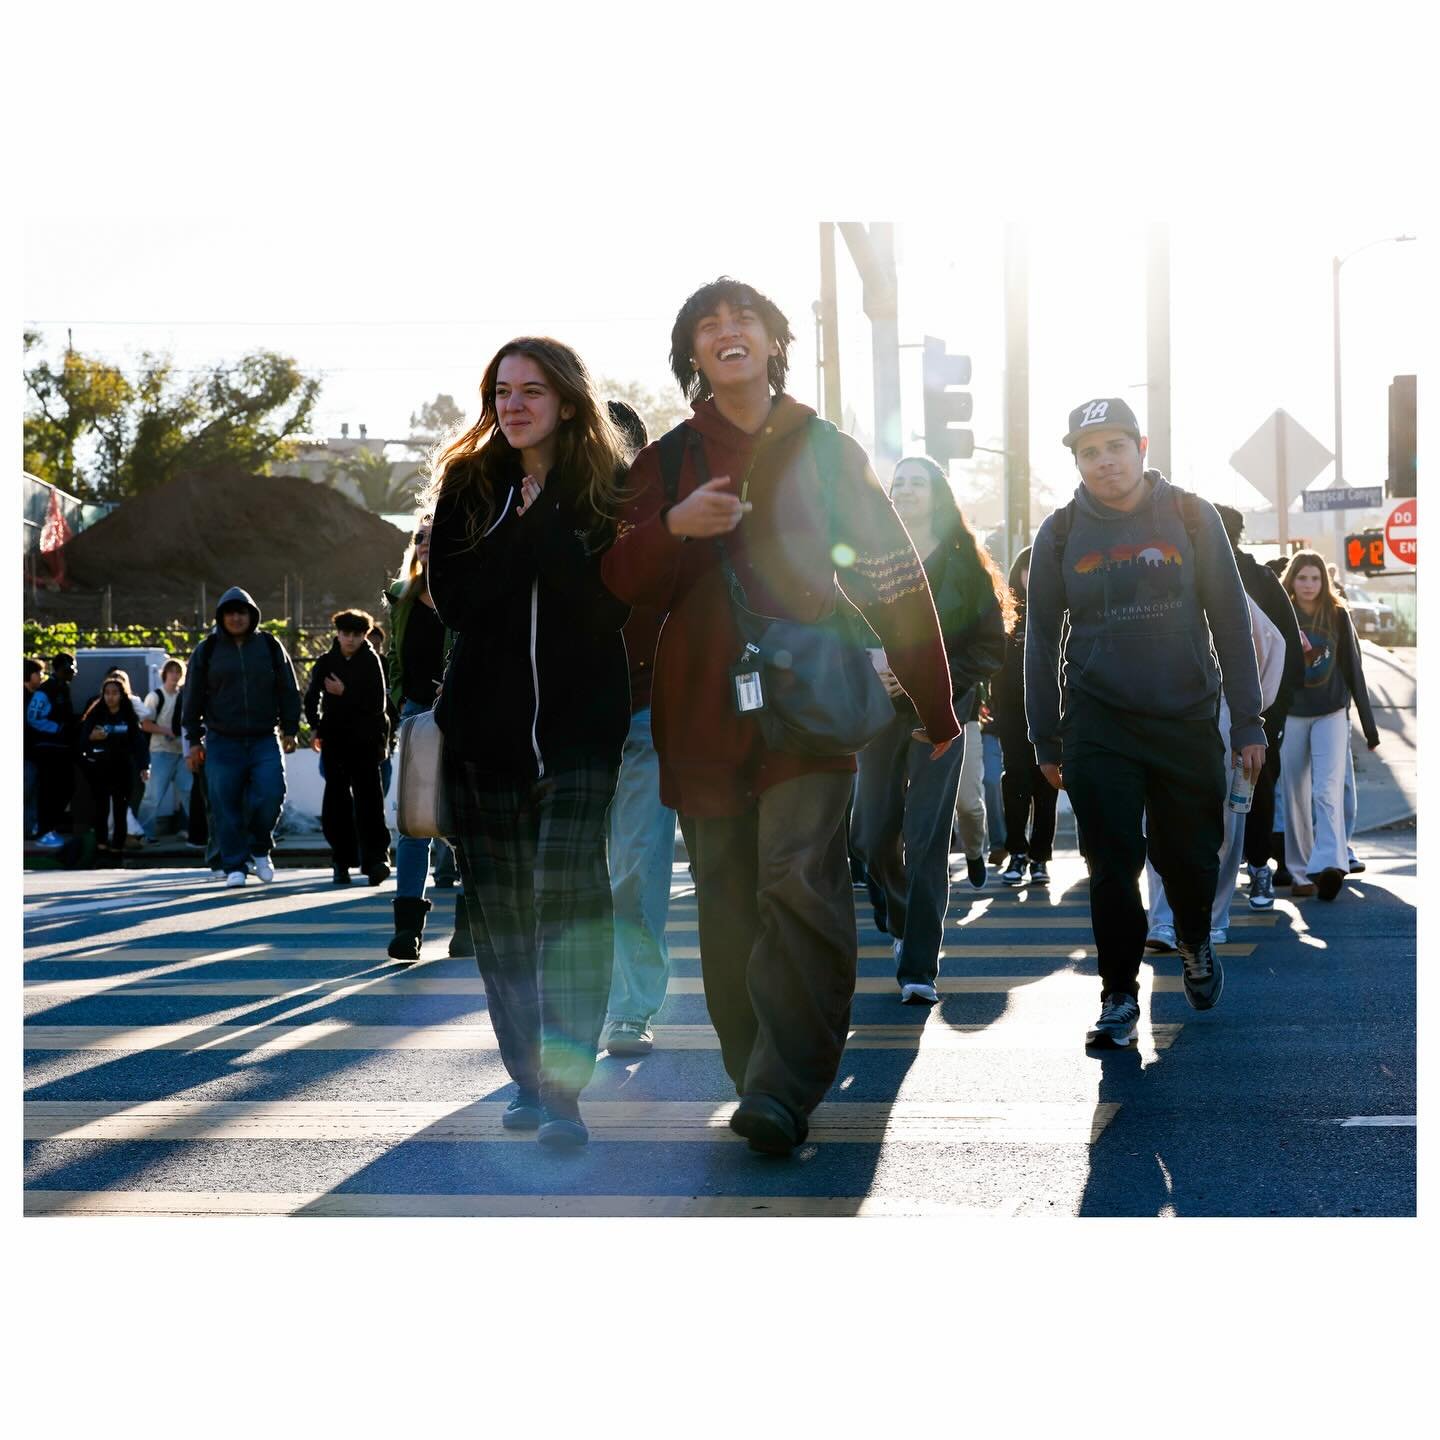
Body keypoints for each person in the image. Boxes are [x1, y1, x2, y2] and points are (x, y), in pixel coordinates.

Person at [601, 277, 959, 1155]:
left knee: (797, 881)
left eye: (744, 320)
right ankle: (754, 1069)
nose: (728, 333)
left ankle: (783, 1087)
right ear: (692, 353)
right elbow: (616, 581)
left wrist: (934, 698)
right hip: (699, 715)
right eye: (708, 326)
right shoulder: (669, 461)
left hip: (806, 706)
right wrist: (674, 528)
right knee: (726, 900)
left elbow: (890, 571)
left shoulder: (826, 448)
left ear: (772, 344)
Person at [426, 335, 631, 1149]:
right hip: (485, 738)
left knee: (569, 902)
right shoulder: (471, 486)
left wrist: (545, 515)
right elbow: (460, 601)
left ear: (569, 402)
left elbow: (604, 603)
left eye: (531, 392)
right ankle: (528, 1078)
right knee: (505, 917)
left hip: (582, 737)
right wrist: (523, 520)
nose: (512, 405)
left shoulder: (606, 491)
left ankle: (566, 1092)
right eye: (502, 391)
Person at [1025, 397, 1265, 1049]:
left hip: (1185, 712)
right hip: (1098, 721)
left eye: (1115, 447)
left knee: (1189, 857)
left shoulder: (1191, 515)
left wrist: (1248, 721)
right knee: (1111, 863)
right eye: (1089, 451)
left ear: (1142, 446)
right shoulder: (1060, 531)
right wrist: (1044, 736)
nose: (1104, 462)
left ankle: (1192, 940)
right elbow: (1041, 637)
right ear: (1076, 460)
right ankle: (1118, 996)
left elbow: (1229, 618)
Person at [853, 454, 1008, 1004]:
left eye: (919, 483)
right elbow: (840, 627)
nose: (908, 490)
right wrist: (874, 665)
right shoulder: (869, 559)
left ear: (938, 495)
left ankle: (919, 965)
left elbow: (991, 645)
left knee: (926, 840)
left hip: (940, 716)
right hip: (876, 714)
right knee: (871, 837)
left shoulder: (966, 563)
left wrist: (933, 682)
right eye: (900, 483)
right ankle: (899, 919)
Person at [599, 400, 680, 1057]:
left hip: (649, 713)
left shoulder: (663, 520)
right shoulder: (554, 515)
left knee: (634, 872)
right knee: (569, 879)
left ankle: (630, 1008)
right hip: (568, 725)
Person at [1210, 507, 1305, 910]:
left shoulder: (1259, 580)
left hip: (1255, 710)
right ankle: (1234, 876)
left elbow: (1286, 649)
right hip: (1213, 709)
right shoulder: (1195, 574)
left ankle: (1259, 868)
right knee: (1232, 793)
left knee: (1253, 789)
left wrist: (1274, 715)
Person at [382, 515, 465, 959]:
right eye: (420, 538)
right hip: (417, 717)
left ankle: (469, 928)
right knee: (413, 823)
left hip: (465, 715)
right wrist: (400, 698)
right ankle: (407, 931)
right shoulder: (402, 598)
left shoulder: (465, 593)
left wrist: (457, 685)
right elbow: (395, 656)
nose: (426, 545)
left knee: (466, 820)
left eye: (435, 537)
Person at [183, 588, 302, 888]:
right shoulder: (207, 650)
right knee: (225, 803)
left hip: (264, 737)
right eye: (230, 613)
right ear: (221, 617)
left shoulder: (270, 645)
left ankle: (260, 849)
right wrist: (193, 740)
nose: (236, 618)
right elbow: (192, 697)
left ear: (252, 616)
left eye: (242, 612)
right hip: (222, 741)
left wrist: (290, 728)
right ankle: (234, 864)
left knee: (272, 793)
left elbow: (289, 687)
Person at [1278, 551, 1380, 900]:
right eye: (1302, 577)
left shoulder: (1337, 615)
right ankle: (1299, 870)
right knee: (1293, 794)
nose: (1309, 585)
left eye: (1315, 578)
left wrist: (1370, 728)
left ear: (1325, 581)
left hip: (1331, 713)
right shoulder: (1281, 614)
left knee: (1327, 789)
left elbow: (1354, 669)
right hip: (1291, 714)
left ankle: (1330, 865)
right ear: (1292, 579)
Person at [305, 609, 392, 887]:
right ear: (338, 634)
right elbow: (311, 696)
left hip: (366, 741)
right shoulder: (327, 661)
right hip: (335, 740)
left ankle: (376, 860)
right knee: (336, 802)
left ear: (364, 635)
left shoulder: (371, 661)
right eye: (346, 634)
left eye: (356, 634)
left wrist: (346, 693)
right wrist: (315, 726)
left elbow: (377, 703)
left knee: (370, 801)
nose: (350, 639)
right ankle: (340, 860)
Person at [990, 546, 1059, 888]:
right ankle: (1017, 852)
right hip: (1013, 715)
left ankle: (1040, 858)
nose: (1032, 575)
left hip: (1051, 713)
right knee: (1015, 781)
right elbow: (992, 666)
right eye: (1027, 569)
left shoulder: (1061, 612)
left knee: (1048, 785)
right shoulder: (1006, 613)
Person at [77, 673, 148, 859]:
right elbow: (82, 739)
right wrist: (91, 738)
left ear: (122, 695)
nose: (110, 697)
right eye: (107, 693)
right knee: (101, 809)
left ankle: (117, 847)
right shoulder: (96, 712)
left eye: (115, 693)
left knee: (120, 809)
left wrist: (144, 766)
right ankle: (101, 846)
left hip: (123, 768)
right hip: (99, 768)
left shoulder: (128, 715)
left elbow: (138, 742)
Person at [137, 659, 192, 842]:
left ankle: (197, 832)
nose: (175, 675)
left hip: (182, 753)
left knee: (189, 794)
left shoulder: (185, 696)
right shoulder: (155, 696)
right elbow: (145, 724)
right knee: (153, 796)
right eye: (171, 671)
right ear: (165, 674)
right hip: (161, 751)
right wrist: (166, 731)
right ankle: (145, 834)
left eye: (178, 672)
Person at [28, 652, 77, 847]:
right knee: (49, 790)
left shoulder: (64, 688)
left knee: (65, 788)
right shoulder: (46, 690)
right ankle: (44, 830)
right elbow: (33, 717)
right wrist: (58, 729)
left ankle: (50, 827)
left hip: (62, 748)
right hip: (48, 748)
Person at [24, 659, 46, 840]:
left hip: (35, 753)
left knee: (32, 794)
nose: (41, 677)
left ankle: (29, 829)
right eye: (38, 673)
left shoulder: (38, 696)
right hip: (26, 753)